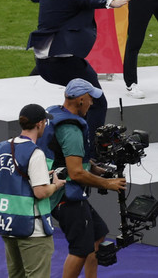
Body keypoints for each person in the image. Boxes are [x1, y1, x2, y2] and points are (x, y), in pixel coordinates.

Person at [3, 0, 134, 146]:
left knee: (80, 97)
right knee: (97, 100)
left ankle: (73, 138)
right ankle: (93, 149)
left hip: (43, 62)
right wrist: (112, 2)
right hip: (62, 62)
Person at [38, 79, 127, 278]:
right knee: (80, 248)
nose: (92, 103)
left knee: (98, 234)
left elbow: (61, 153)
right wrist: (108, 183)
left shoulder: (54, 113)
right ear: (80, 100)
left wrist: (92, 167)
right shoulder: (71, 129)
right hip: (65, 196)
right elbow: (76, 173)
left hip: (62, 190)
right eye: (90, 99)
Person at [0, 103, 66, 278]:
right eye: (45, 122)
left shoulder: (1, 147)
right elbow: (40, 192)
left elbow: (5, 180)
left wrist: (40, 175)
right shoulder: (35, 153)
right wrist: (55, 185)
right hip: (32, 228)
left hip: (7, 223)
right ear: (40, 124)